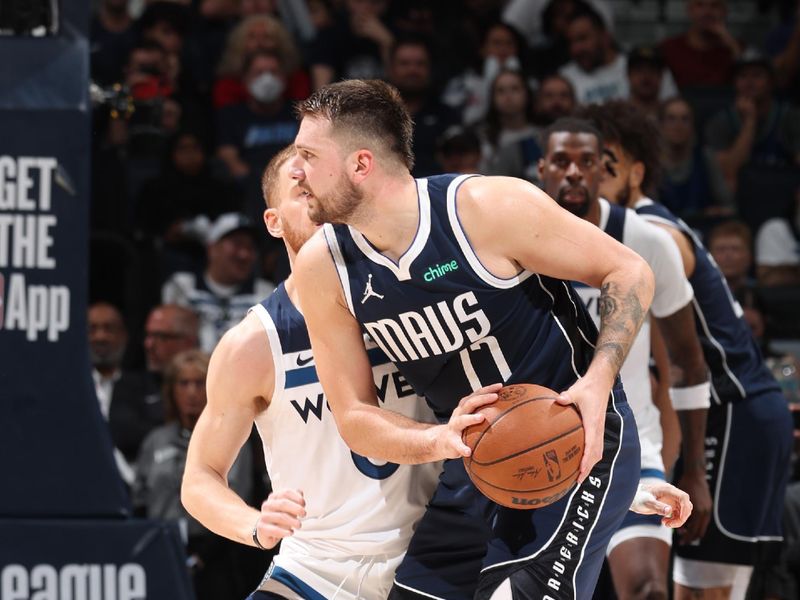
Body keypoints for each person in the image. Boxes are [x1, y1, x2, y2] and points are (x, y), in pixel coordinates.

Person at [290, 79, 691, 599]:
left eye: (306, 155)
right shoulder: (324, 265)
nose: (295, 171)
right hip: (476, 466)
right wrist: (441, 440)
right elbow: (354, 417)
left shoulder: (486, 208)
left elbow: (629, 271)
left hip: (575, 448)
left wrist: (598, 382)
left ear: (360, 164)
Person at [181, 145, 442, 599]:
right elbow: (200, 477)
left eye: (330, 185)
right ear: (274, 221)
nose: (320, 199)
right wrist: (254, 524)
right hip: (315, 573)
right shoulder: (254, 343)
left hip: (433, 564)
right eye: (303, 190)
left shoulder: (416, 298)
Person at [582, 100, 794, 600]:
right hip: (724, 410)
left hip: (733, 407)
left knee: (705, 589)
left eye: (604, 162)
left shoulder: (652, 234)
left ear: (635, 171)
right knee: (697, 586)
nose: (590, 173)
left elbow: (679, 364)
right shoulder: (623, 232)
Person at [538, 114, 712, 600]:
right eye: (561, 161)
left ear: (603, 172)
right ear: (541, 169)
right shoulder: (515, 245)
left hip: (632, 449)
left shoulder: (650, 242)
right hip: (543, 451)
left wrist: (695, 469)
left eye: (587, 162)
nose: (573, 172)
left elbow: (686, 361)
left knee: (649, 589)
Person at [134, 349, 255, 600]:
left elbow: (239, 498)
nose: (191, 392)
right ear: (171, 390)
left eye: (199, 383)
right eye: (183, 383)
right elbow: (140, 501)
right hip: (162, 551)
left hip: (218, 554)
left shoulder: (235, 438)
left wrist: (202, 557)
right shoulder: (156, 441)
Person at [162, 212, 275, 352]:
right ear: (212, 248)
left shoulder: (267, 294)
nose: (244, 254)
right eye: (237, 244)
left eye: (250, 247)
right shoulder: (181, 287)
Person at [559, 7, 677, 105]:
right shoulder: (564, 78)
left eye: (582, 38)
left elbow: (672, 111)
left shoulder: (641, 66)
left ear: (605, 36)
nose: (576, 49)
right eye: (571, 42)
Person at [659, 0, 742, 88]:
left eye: (715, 5)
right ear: (690, 10)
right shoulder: (670, 48)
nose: (707, 12)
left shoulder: (735, 48)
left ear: (725, 11)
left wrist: (731, 45)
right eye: (700, 5)